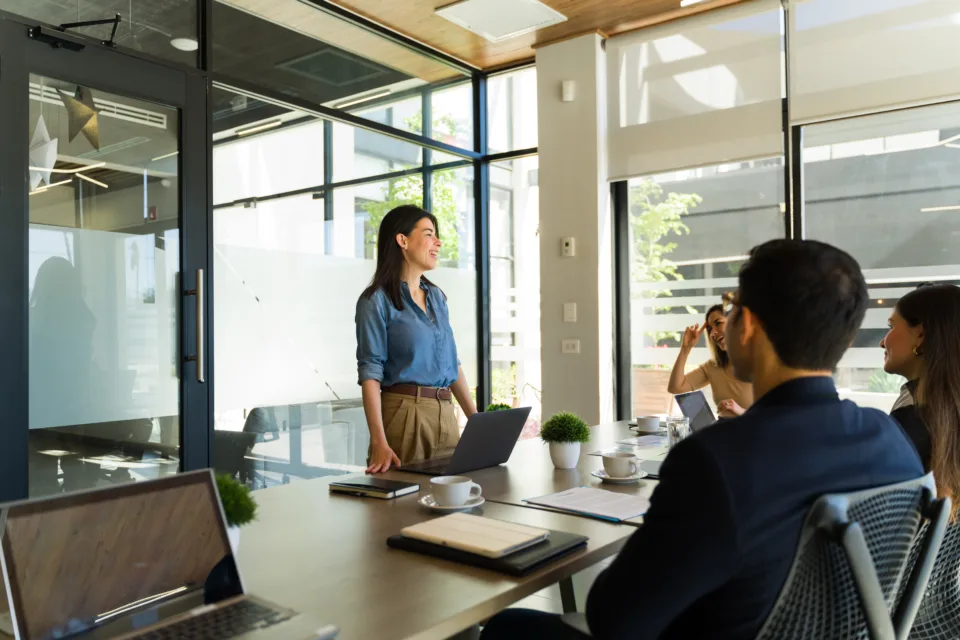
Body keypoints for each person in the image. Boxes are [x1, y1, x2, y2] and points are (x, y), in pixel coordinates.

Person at [480, 239, 923, 640]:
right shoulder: (893, 442)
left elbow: (616, 619)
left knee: (504, 627)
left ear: (745, 325)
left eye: (730, 309)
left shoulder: (717, 460)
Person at [356, 205, 478, 474]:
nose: (438, 242)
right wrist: (379, 440)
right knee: (403, 510)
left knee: (452, 506)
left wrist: (475, 419)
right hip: (404, 414)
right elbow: (370, 373)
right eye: (428, 234)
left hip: (445, 413)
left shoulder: (437, 298)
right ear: (402, 240)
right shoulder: (375, 301)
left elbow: (451, 363)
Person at [881, 283, 960, 508]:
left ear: (921, 335)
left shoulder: (910, 422)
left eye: (891, 326)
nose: (882, 341)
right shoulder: (945, 416)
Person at [667, 303, 753, 417]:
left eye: (718, 323)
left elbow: (776, 413)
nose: (712, 333)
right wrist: (685, 349)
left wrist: (740, 410)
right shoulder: (713, 366)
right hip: (723, 432)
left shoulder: (761, 363)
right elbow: (675, 387)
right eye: (709, 329)